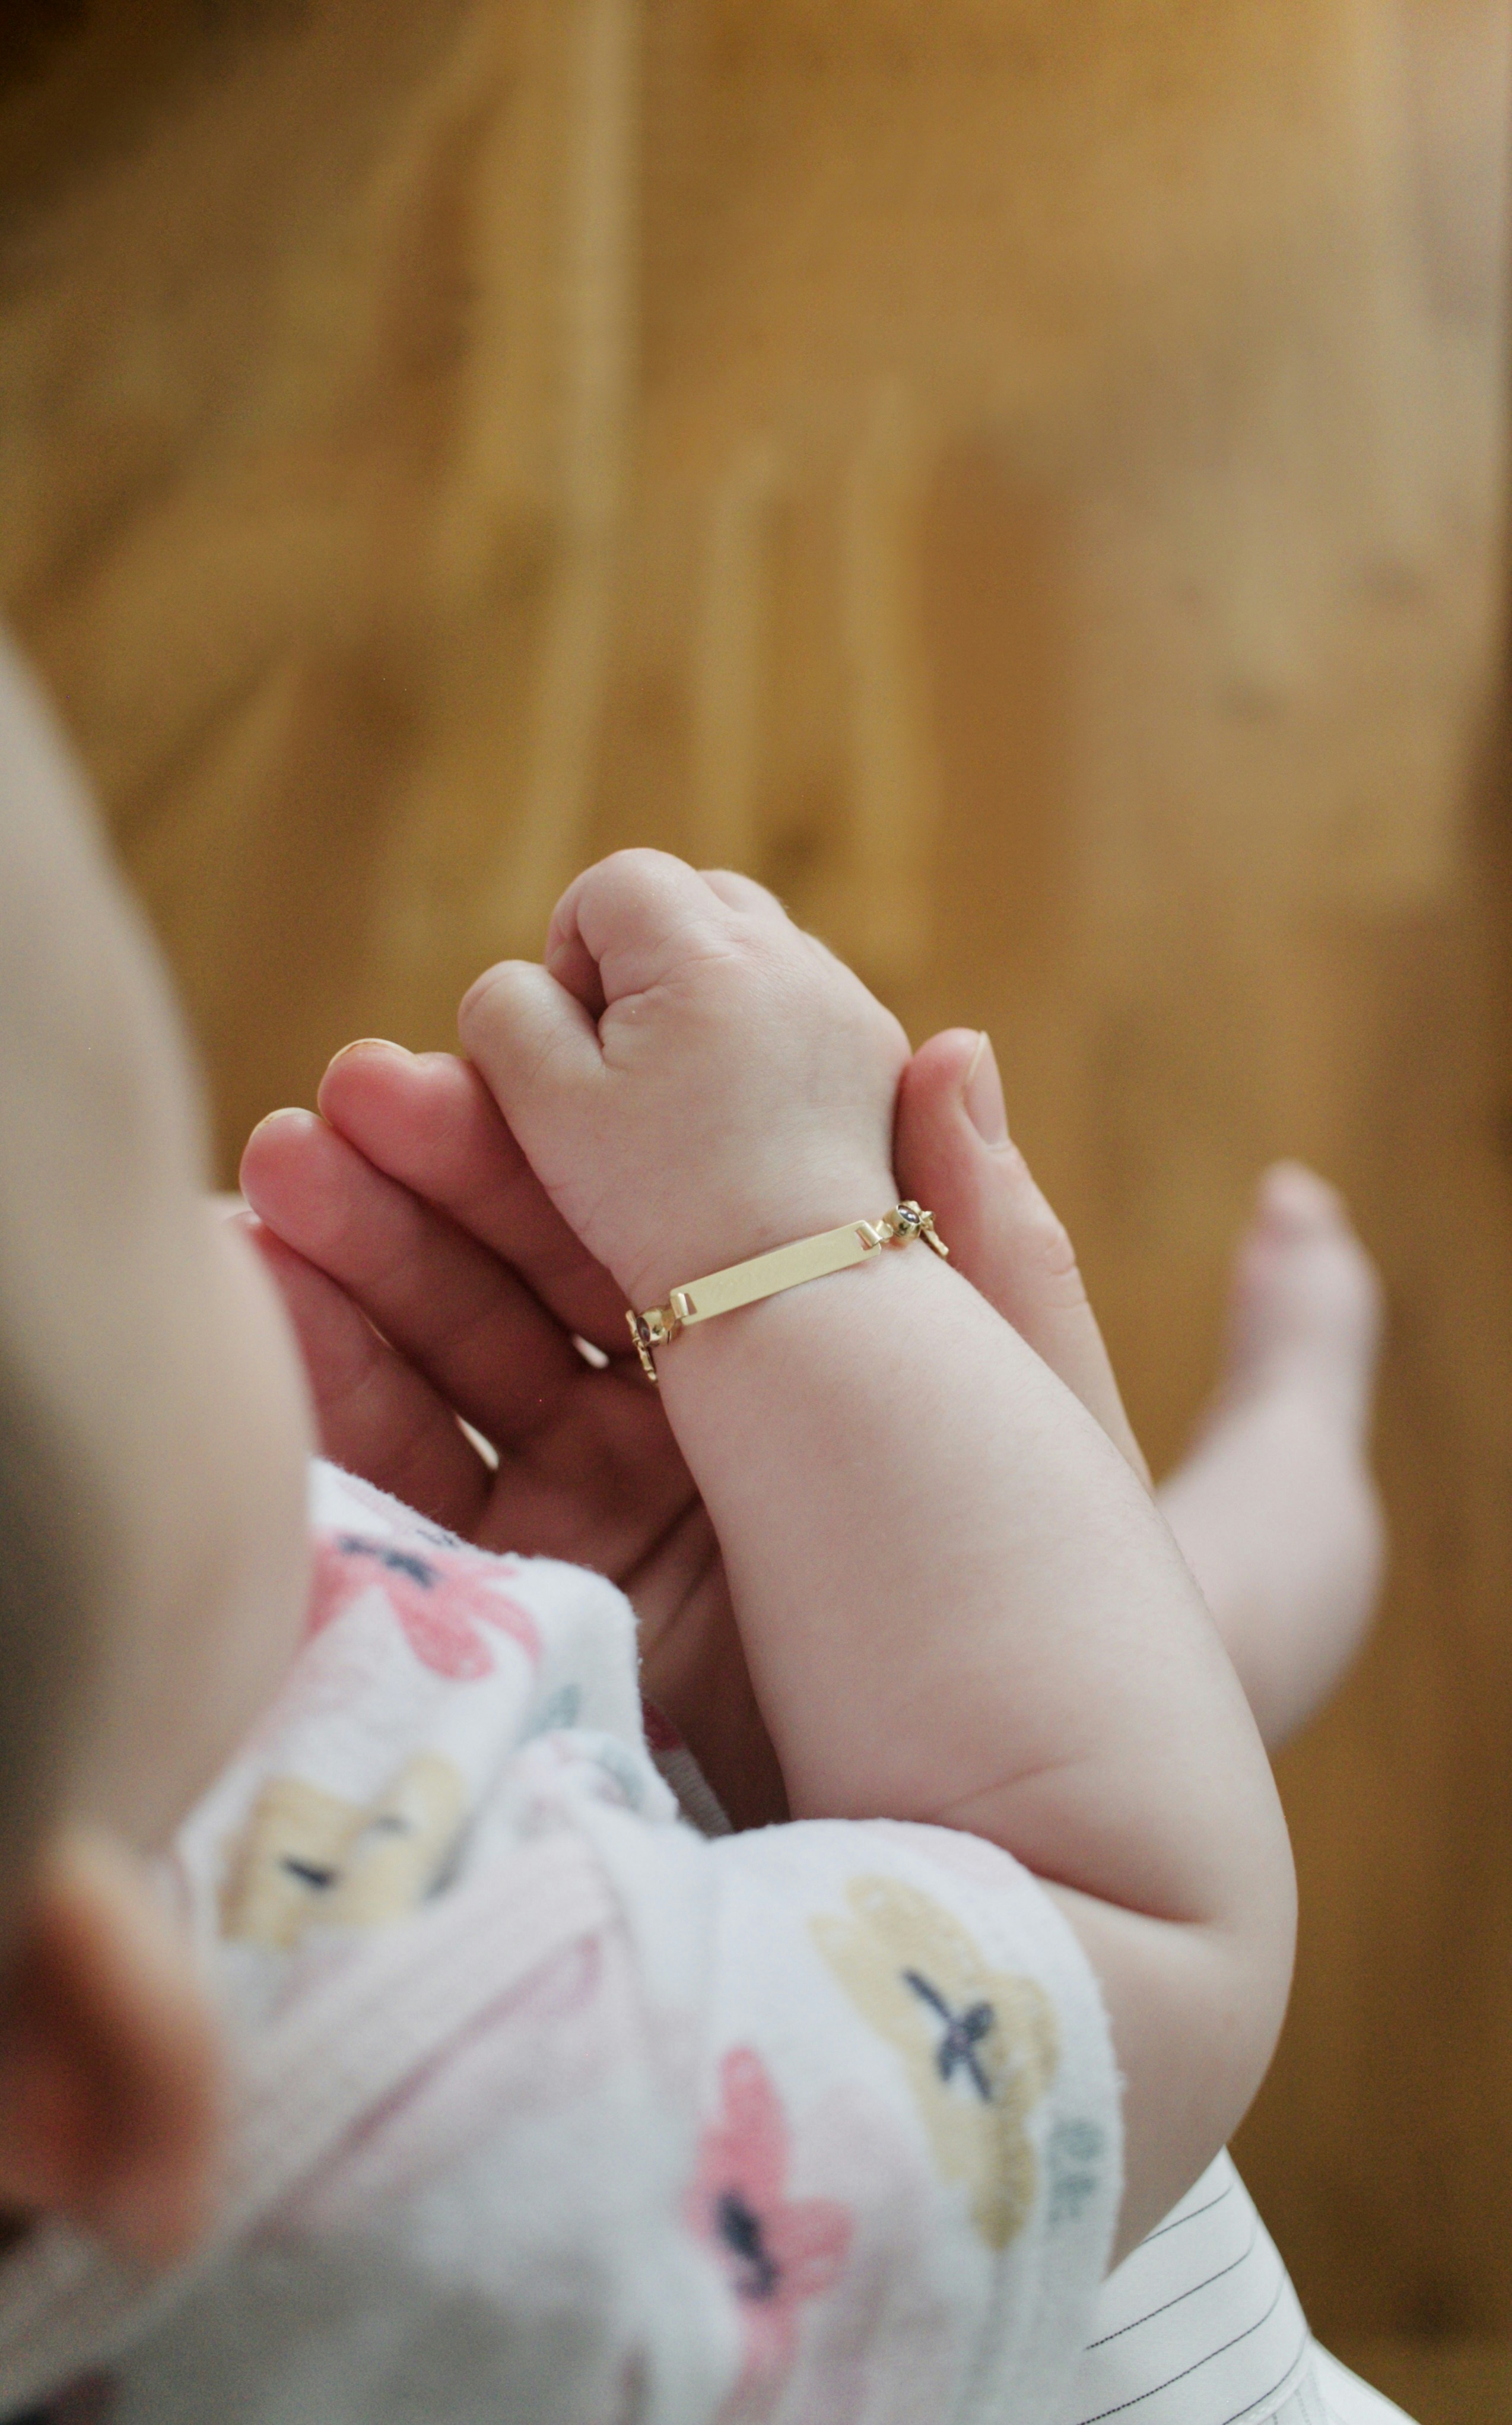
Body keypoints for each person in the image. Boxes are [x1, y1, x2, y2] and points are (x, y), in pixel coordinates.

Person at [0, 631, 1395, 2424]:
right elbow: (1140, 1906)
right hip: (1073, 2172)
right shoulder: (479, 2144)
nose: (208, 1231)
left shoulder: (68, 1804)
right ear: (70, 2061)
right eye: (135, 1229)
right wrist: (786, 1249)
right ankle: (1308, 1436)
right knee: (1181, 1625)